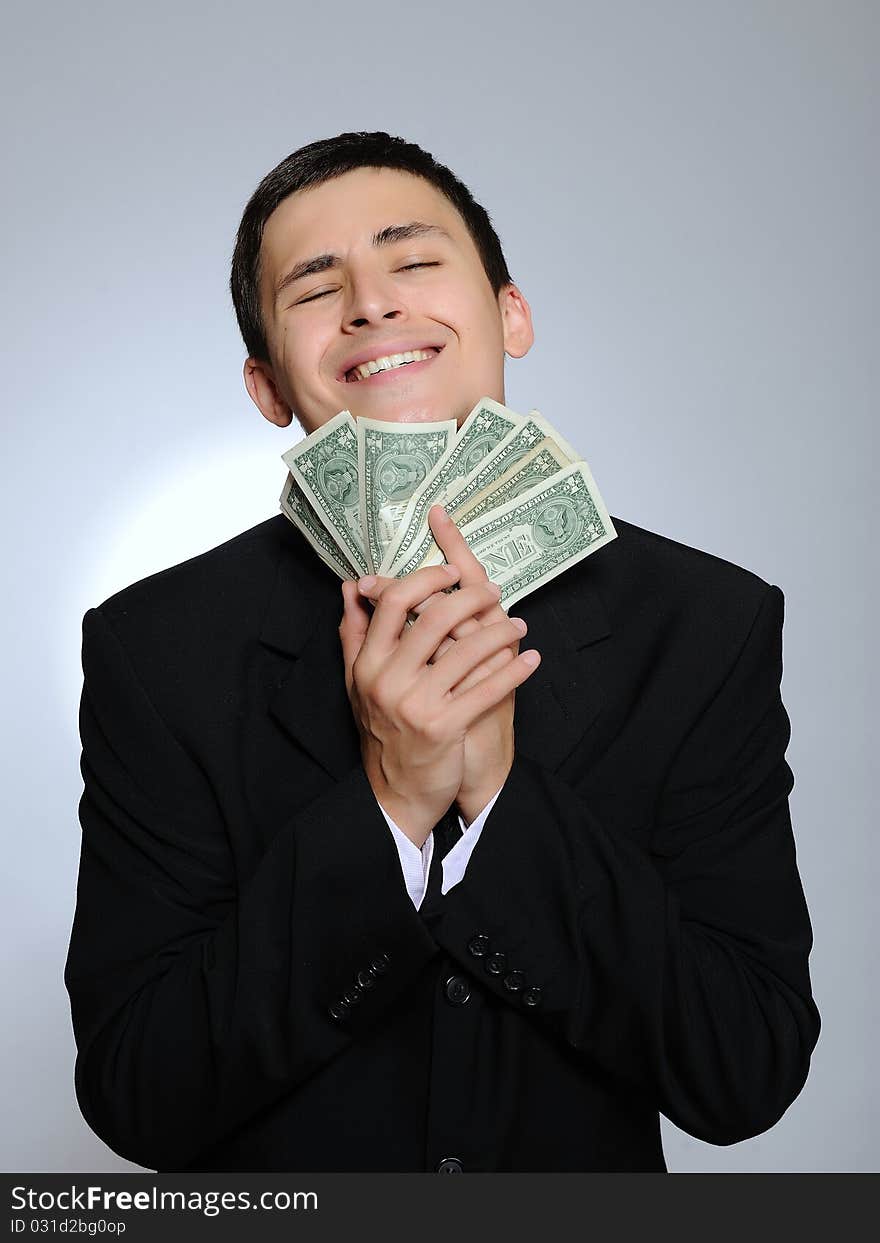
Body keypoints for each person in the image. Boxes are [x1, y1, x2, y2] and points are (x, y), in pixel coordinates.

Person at [64, 131, 821, 1173]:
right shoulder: (159, 650)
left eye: (413, 261)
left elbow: (745, 1067)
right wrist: (389, 804)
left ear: (510, 313)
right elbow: (136, 1091)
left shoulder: (701, 624)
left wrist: (505, 800)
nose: (372, 303)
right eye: (315, 287)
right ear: (266, 386)